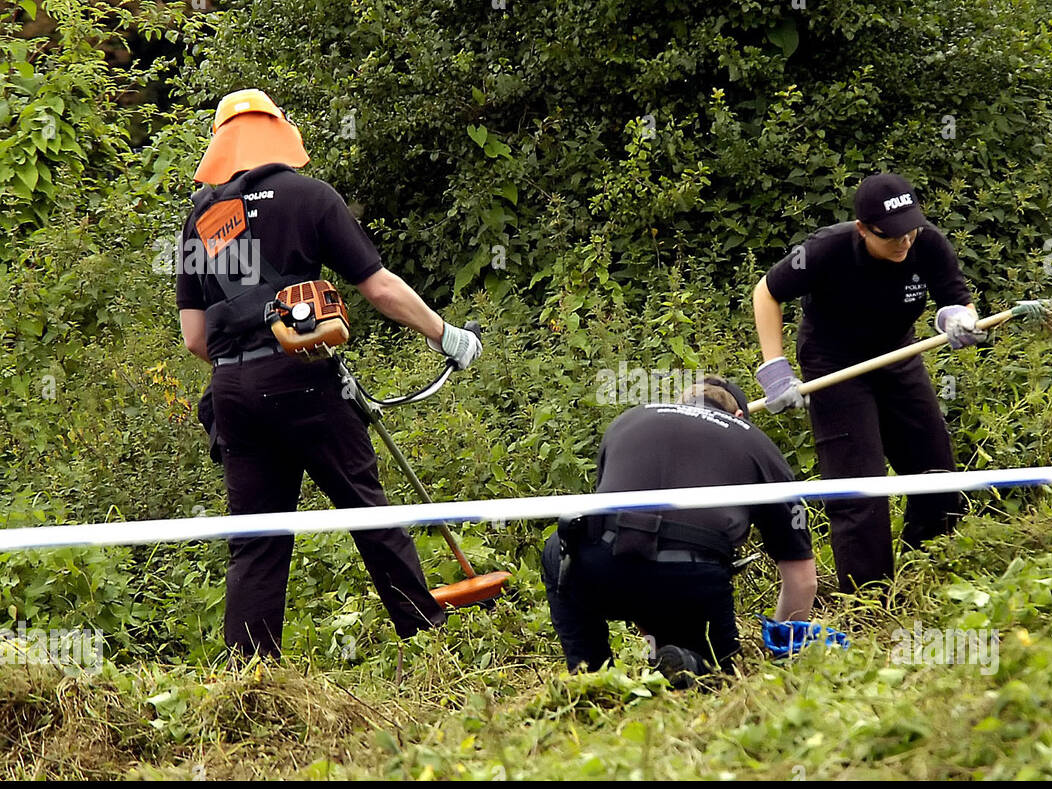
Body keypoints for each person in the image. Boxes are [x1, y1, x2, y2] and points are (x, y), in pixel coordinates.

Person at [176, 89, 482, 657]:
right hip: (303, 381)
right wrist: (447, 335)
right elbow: (379, 287)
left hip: (234, 394)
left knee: (257, 541)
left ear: (220, 143)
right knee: (367, 511)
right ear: (279, 132)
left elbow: (196, 339)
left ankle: (252, 676)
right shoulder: (310, 196)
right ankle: (426, 642)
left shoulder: (200, 218)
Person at [752, 173, 984, 593]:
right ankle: (869, 598)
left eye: (909, 230)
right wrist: (775, 368)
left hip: (896, 352)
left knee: (935, 469)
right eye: (890, 235)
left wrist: (957, 317)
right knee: (859, 487)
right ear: (863, 229)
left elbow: (955, 296)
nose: (904, 242)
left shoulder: (926, 242)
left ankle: (930, 571)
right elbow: (766, 293)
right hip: (832, 359)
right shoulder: (826, 249)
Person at [540, 377, 819, 684]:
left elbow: (611, 525)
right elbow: (801, 580)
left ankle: (591, 677)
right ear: (740, 415)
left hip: (605, 568)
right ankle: (697, 667)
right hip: (694, 579)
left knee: (560, 546)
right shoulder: (755, 442)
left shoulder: (629, 419)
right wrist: (781, 660)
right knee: (721, 681)